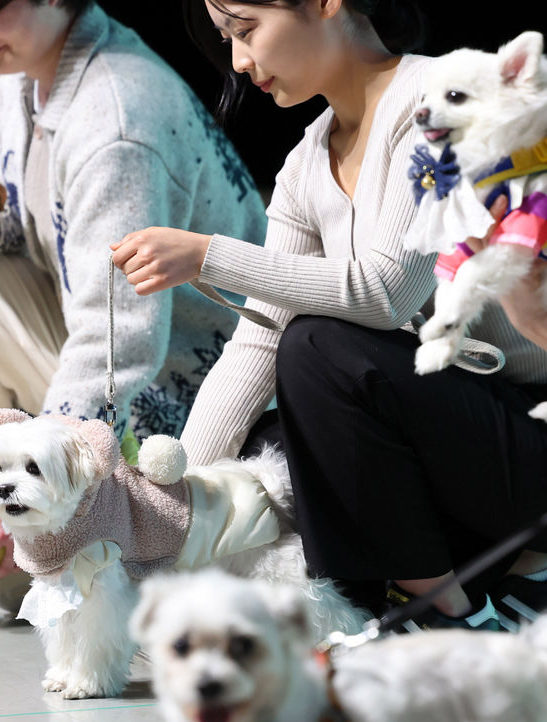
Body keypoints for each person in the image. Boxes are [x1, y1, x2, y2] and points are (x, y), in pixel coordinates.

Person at [112, 0, 547, 628]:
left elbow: (385, 292)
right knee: (271, 446)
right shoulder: (306, 163)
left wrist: (209, 257)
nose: (238, 61)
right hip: (459, 438)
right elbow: (256, 348)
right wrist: (170, 508)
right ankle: (389, 592)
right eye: (228, 38)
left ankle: (444, 607)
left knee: (320, 352)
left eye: (246, 30)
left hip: (524, 434)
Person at [0, 0, 266, 590]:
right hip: (123, 355)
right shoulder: (21, 79)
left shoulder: (115, 117)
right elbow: (12, 226)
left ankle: (45, 521)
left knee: (15, 586)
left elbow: (119, 334)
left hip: (180, 409)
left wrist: (55, 473)